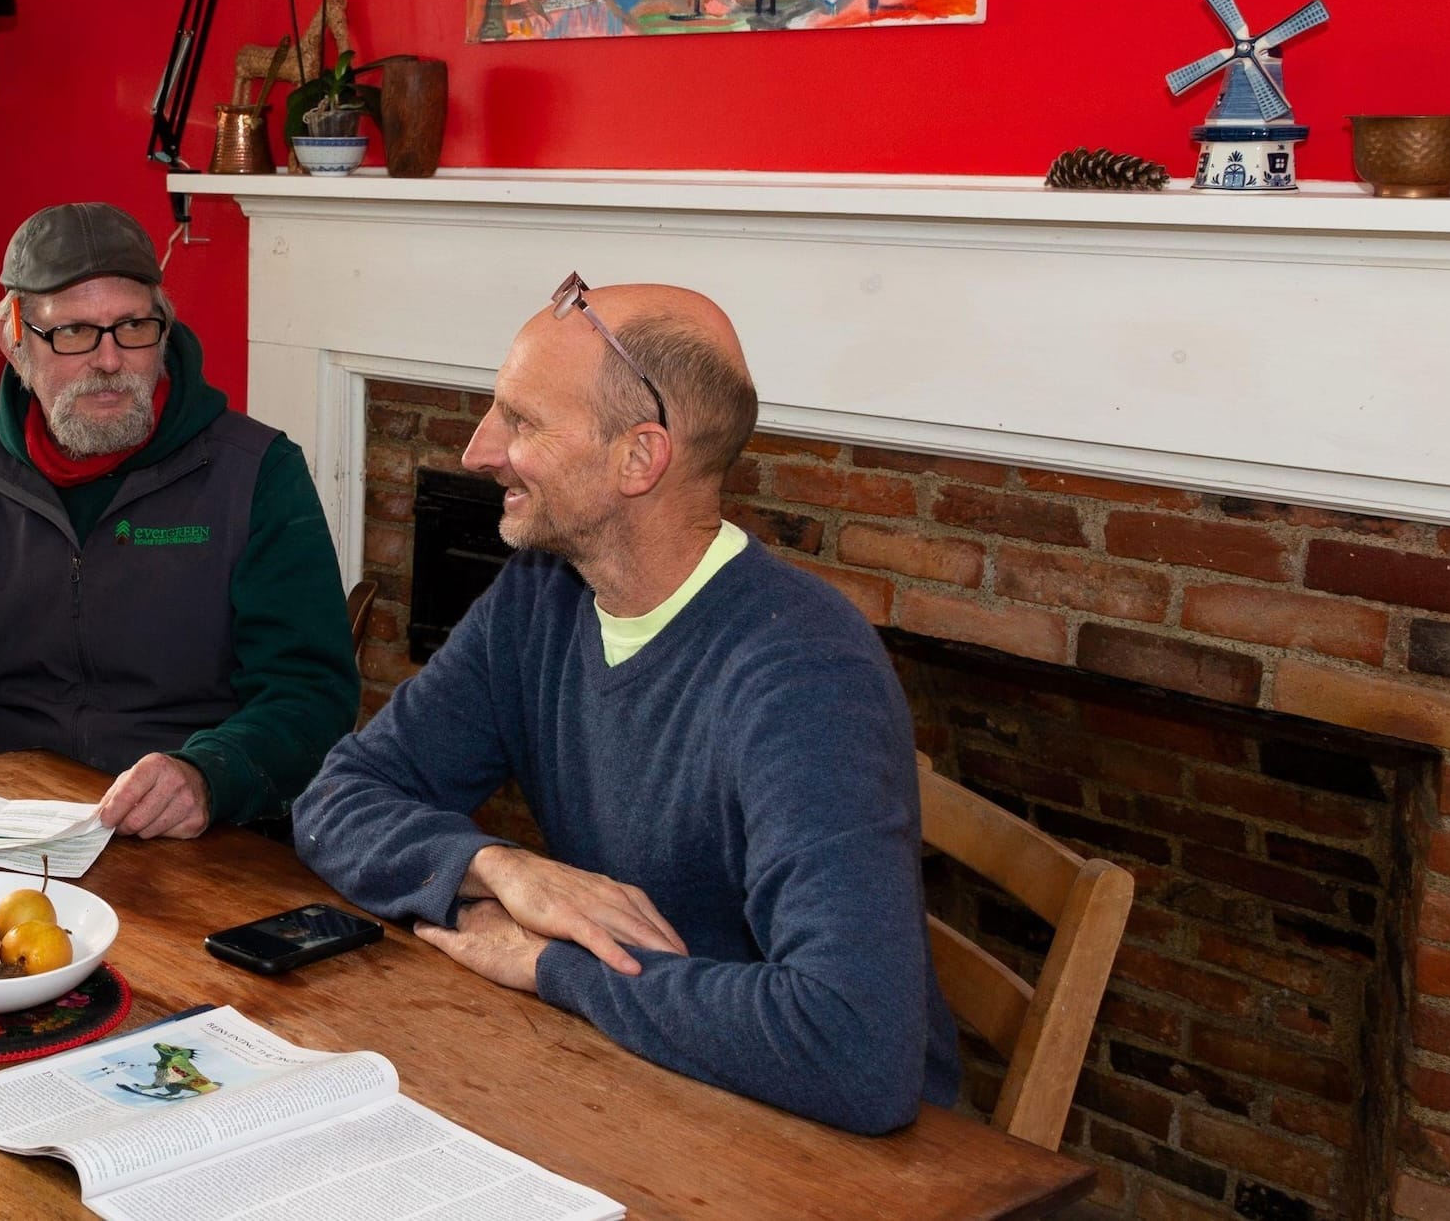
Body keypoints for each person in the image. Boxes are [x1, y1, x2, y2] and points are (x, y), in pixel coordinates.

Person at [292, 275, 960, 1136]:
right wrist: (498, 866)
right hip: (634, 1084)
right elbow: (337, 796)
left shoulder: (805, 674)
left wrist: (552, 964)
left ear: (639, 459)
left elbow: (855, 1046)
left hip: (820, 1150)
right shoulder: (541, 595)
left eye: (521, 420)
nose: (478, 450)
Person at [0, 203, 357, 838]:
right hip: (13, 823)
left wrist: (211, 774)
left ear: (163, 332)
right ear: (14, 342)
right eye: (74, 333)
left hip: (207, 832)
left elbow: (311, 693)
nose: (110, 360)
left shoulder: (257, 474)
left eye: (133, 328)